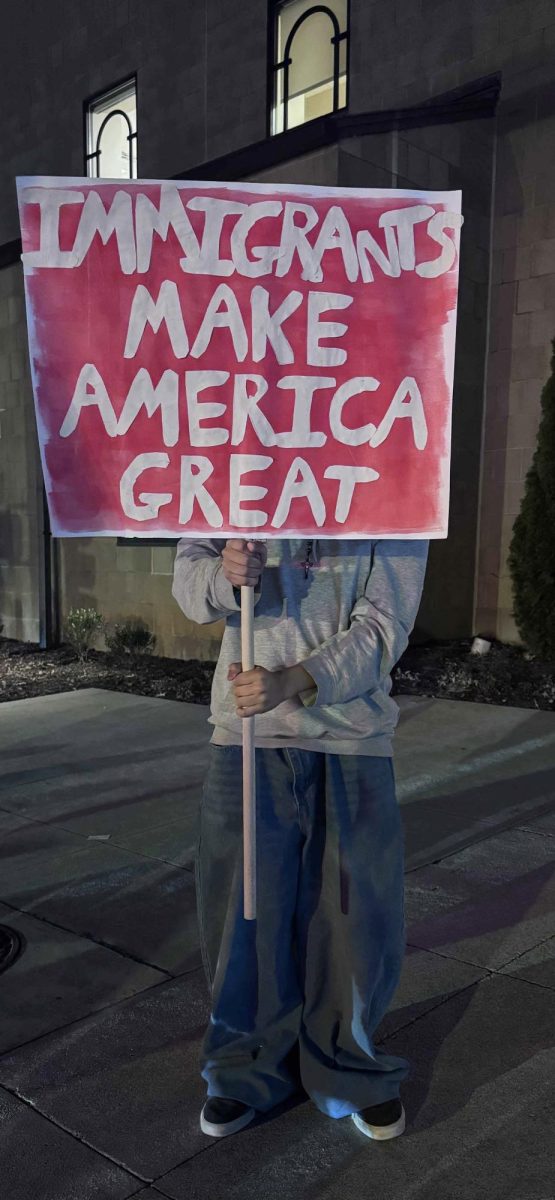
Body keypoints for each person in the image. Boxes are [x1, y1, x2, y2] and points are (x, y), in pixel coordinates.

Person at [172, 534, 429, 1141]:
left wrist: (293, 680)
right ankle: (242, 1068)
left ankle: (348, 1067)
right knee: (242, 913)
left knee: (355, 917)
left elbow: (387, 620)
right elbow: (190, 581)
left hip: (352, 735)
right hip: (244, 736)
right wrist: (221, 575)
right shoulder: (234, 463)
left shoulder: (398, 468)